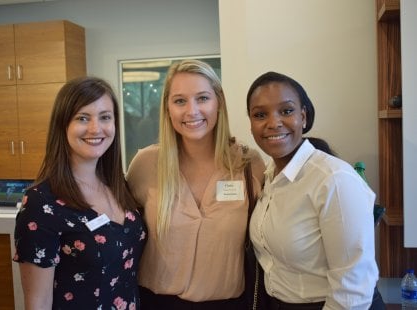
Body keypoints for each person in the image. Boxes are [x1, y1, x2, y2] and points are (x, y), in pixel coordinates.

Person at [126, 59, 265, 310]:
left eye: (202, 98)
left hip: (229, 305)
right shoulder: (145, 165)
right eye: (180, 101)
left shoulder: (249, 164)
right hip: (156, 303)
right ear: (168, 108)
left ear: (219, 102)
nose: (192, 111)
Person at [246, 71, 379, 309]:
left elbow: (353, 289)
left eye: (286, 111)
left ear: (303, 117)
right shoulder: (269, 176)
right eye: (260, 115)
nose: (273, 122)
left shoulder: (334, 180)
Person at [13, 77, 147, 310]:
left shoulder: (119, 186)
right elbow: (38, 302)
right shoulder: (41, 202)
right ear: (63, 125)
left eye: (105, 117)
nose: (96, 128)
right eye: (83, 118)